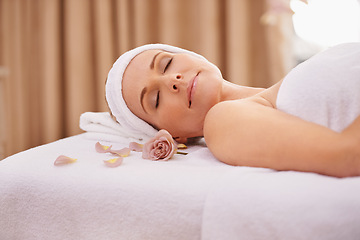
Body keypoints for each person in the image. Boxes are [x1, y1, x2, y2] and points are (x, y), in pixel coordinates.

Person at [105, 43, 360, 178]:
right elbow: (347, 156)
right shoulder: (223, 120)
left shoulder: (277, 92)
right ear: (172, 136)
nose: (174, 80)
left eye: (167, 63)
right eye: (156, 99)